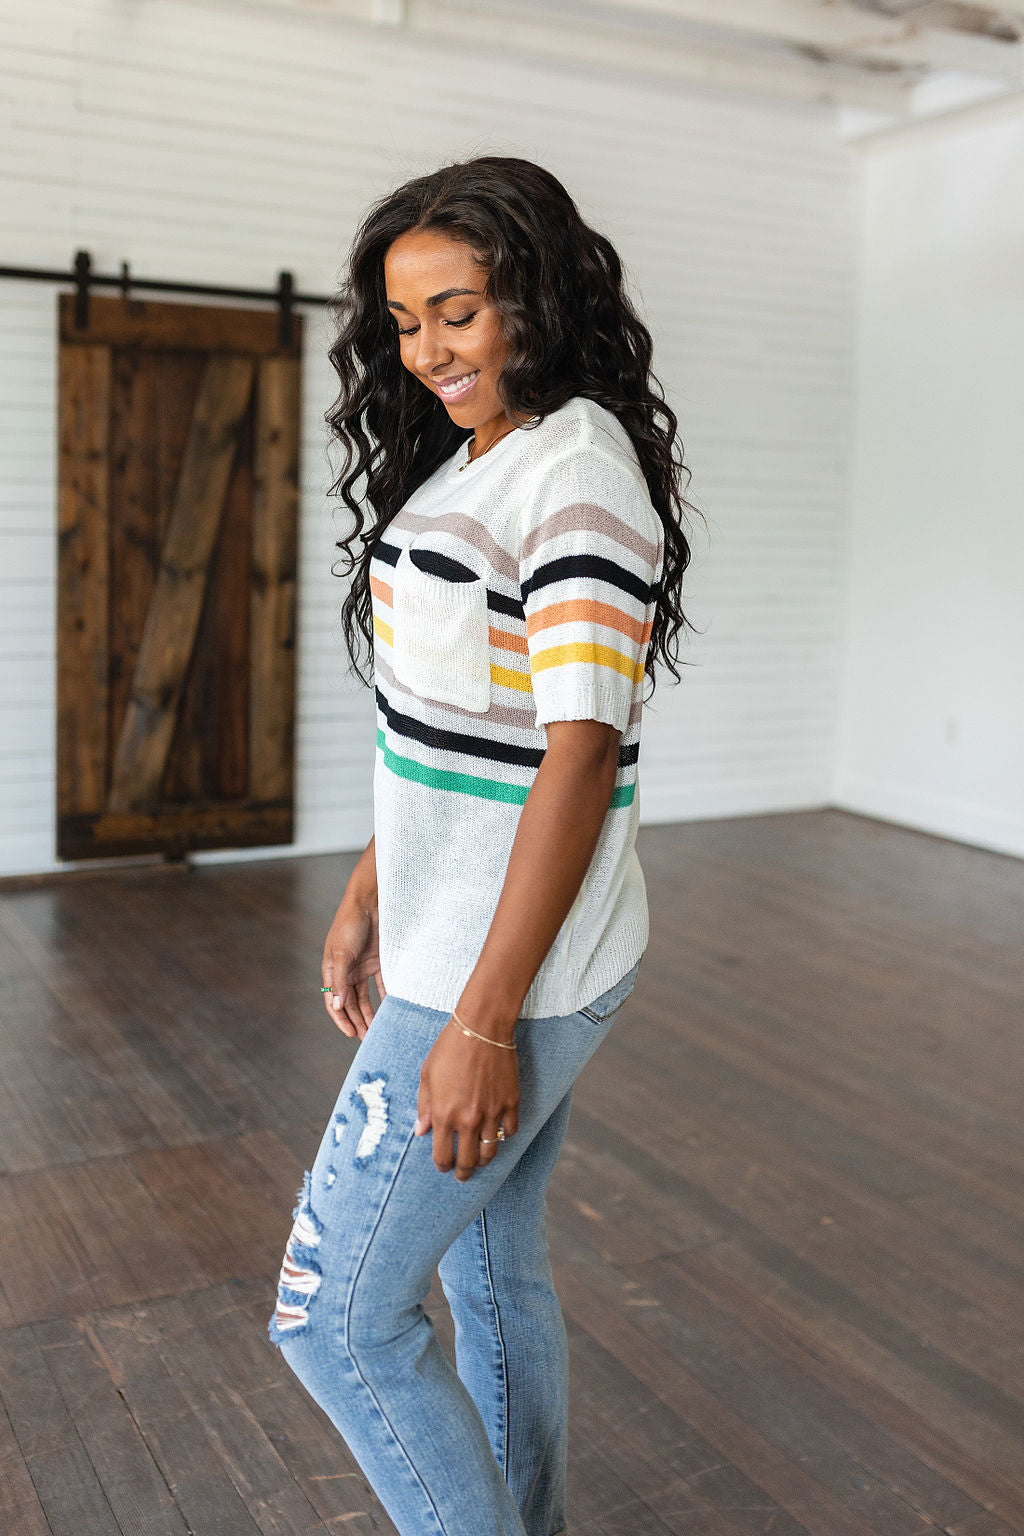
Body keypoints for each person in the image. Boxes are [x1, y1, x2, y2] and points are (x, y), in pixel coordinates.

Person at [268, 155, 699, 1536]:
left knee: (334, 1320)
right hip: (454, 935)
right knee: (489, 1274)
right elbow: (462, 728)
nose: (427, 351)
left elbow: (579, 753)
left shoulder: (576, 473)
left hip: (498, 970)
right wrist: (369, 888)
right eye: (405, 323)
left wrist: (480, 1019)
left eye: (458, 312)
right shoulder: (482, 455)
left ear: (537, 295)